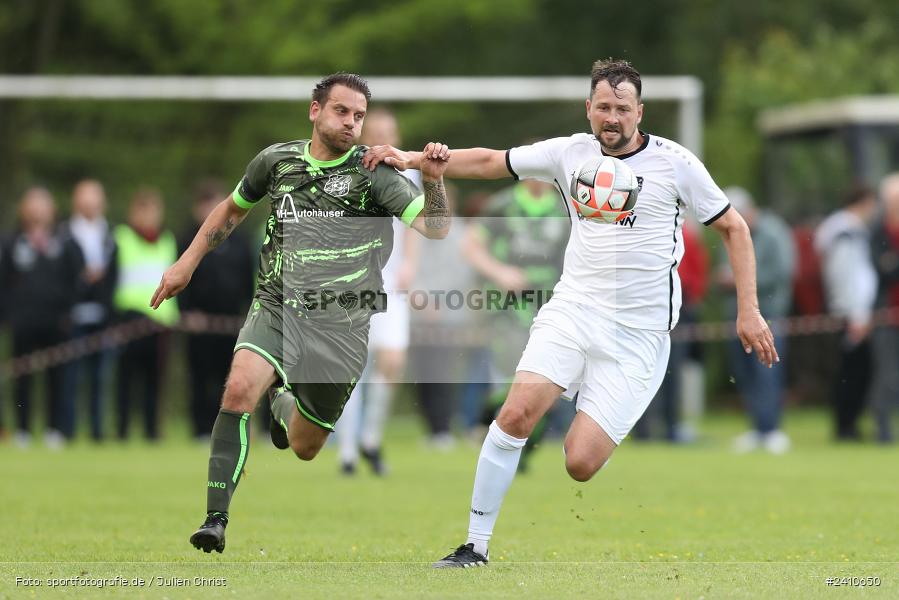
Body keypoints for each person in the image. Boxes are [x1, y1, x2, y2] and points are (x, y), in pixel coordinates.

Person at [364, 58, 778, 568]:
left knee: (579, 463)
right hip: (574, 310)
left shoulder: (676, 164)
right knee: (515, 414)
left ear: (639, 112)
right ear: (588, 109)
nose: (612, 117)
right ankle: (475, 544)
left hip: (639, 335)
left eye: (622, 108)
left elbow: (735, 228)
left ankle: (591, 395)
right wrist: (408, 158)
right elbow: (493, 161)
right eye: (603, 106)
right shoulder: (568, 154)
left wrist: (749, 311)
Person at [149, 73, 451, 554]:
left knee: (307, 446)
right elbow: (231, 210)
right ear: (315, 110)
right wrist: (186, 263)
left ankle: (282, 404)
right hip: (276, 306)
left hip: (343, 326)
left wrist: (433, 182)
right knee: (238, 387)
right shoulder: (276, 161)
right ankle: (215, 519)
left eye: (358, 116)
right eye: (341, 111)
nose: (351, 123)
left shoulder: (374, 172)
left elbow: (436, 229)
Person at [335, 108, 421, 475]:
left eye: (390, 132)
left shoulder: (410, 174)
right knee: (352, 369)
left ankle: (370, 438)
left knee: (391, 363)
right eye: (376, 132)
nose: (384, 138)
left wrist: (410, 266)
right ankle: (348, 452)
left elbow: (418, 226)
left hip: (392, 285)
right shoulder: (347, 172)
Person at [463, 175, 568, 470]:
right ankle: (500, 429)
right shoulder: (502, 204)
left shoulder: (564, 209)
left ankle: (512, 435)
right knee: (518, 374)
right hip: (507, 305)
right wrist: (499, 272)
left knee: (548, 381)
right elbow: (470, 247)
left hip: (551, 304)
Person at [2, 187, 84, 448]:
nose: (38, 210)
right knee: (22, 377)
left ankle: (53, 429)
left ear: (52, 210)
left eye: (43, 205)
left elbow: (76, 280)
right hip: (23, 321)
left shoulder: (65, 243)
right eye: (32, 204)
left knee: (56, 377)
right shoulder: (12, 242)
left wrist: (69, 313)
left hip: (56, 322)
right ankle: (23, 429)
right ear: (23, 210)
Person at [720, 187, 796, 454]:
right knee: (745, 373)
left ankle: (772, 429)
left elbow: (783, 272)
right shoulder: (728, 232)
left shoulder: (775, 232)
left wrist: (742, 282)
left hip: (770, 315)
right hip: (736, 316)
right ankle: (757, 428)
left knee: (768, 372)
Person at [178, 180, 255, 441]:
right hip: (200, 322)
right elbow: (180, 276)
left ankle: (228, 429)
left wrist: (249, 312)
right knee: (200, 376)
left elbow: (248, 279)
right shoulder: (187, 240)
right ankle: (201, 429)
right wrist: (186, 313)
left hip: (233, 322)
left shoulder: (240, 241)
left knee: (232, 377)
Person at [114, 188, 179, 441]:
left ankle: (152, 433)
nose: (149, 216)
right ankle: (121, 432)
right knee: (126, 381)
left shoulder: (168, 240)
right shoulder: (122, 238)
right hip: (129, 320)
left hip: (160, 322)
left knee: (155, 383)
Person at [814, 186, 878, 441]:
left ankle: (848, 425)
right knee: (852, 372)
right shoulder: (846, 231)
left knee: (853, 370)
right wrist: (857, 315)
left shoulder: (840, 228)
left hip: (850, 310)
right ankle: (846, 427)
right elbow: (848, 276)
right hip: (851, 313)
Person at [61, 179, 117, 441]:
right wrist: (82, 280)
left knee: (100, 378)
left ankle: (97, 432)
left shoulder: (110, 235)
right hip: (74, 315)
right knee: (70, 377)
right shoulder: (64, 234)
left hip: (102, 315)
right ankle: (67, 430)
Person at [868, 173, 899, 443]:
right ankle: (883, 432)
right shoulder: (878, 230)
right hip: (886, 315)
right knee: (887, 375)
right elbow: (881, 269)